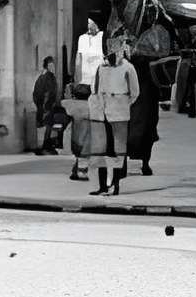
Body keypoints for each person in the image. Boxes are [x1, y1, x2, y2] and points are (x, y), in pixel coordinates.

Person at [90, 42, 141, 198]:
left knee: (118, 150)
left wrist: (121, 102)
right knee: (101, 149)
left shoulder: (128, 68)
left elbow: (135, 92)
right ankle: (102, 185)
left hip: (119, 112)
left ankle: (115, 184)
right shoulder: (101, 68)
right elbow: (95, 88)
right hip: (102, 111)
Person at [69, 18, 108, 182]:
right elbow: (78, 60)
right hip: (84, 87)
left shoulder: (103, 37)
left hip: (98, 88)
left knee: (91, 128)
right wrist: (77, 82)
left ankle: (81, 165)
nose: (89, 26)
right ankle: (81, 165)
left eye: (91, 22)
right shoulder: (82, 39)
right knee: (82, 127)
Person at [32, 56, 68, 155]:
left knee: (47, 126)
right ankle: (45, 146)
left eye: (53, 65)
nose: (53, 67)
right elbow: (48, 92)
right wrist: (46, 106)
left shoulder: (42, 77)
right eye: (51, 65)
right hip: (46, 106)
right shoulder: (48, 77)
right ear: (47, 66)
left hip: (43, 106)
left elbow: (36, 94)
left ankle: (45, 146)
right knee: (47, 126)